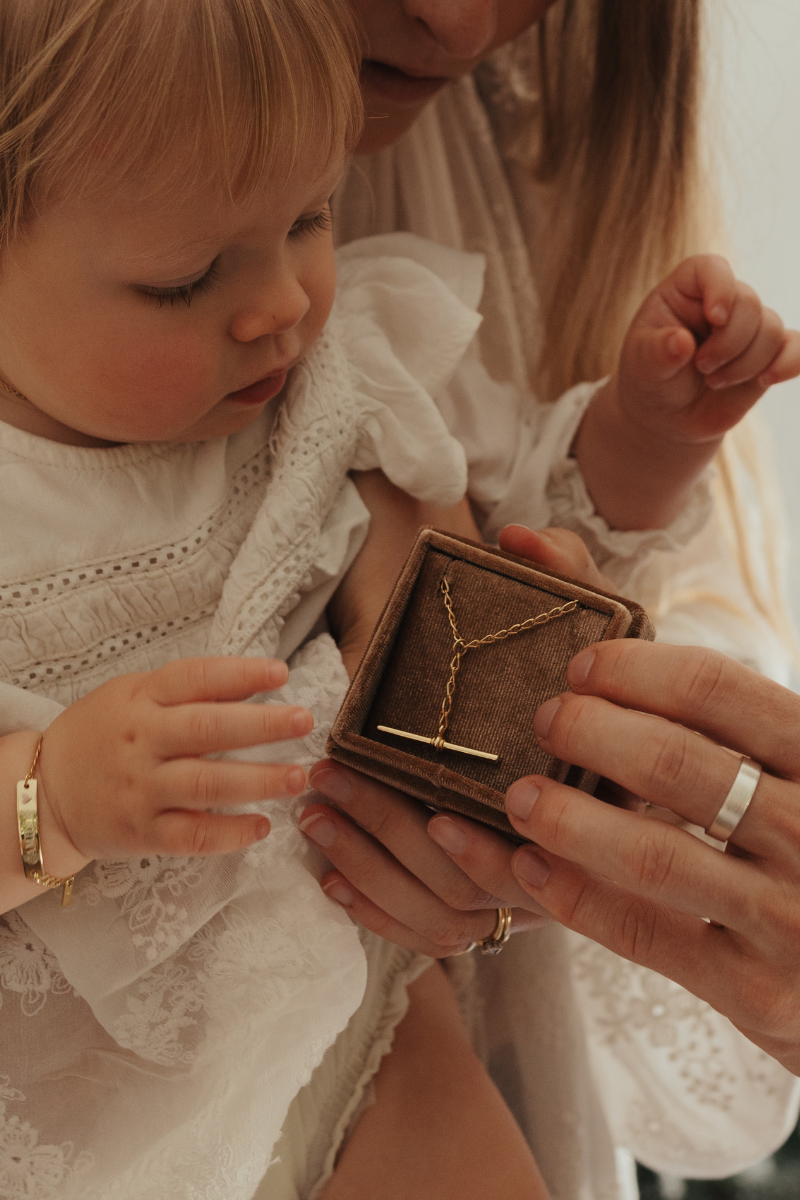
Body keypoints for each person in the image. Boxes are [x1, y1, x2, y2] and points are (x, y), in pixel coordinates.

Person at [0, 3, 552, 1197]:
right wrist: (54, 800)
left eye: (308, 217)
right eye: (185, 278)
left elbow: (448, 627)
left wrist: (503, 762)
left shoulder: (328, 392)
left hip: (357, 1020)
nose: (281, 306)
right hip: (75, 1122)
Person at [296, 1, 800, 1194]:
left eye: (301, 227)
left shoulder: (383, 322)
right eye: (176, 280)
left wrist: (641, 434)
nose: (459, 20)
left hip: (410, 1023)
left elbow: (543, 523)